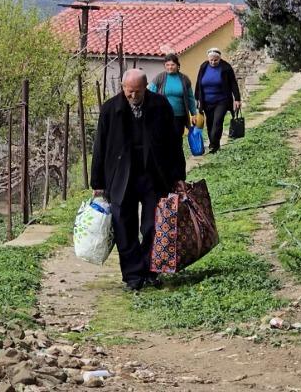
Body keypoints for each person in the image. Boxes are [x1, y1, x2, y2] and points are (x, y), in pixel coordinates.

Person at [90, 69, 187, 291]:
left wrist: (178, 176)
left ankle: (150, 270)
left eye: (137, 91)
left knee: (154, 225)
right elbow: (100, 147)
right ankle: (133, 276)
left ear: (146, 88)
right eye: (128, 91)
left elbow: (174, 144)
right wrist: (98, 183)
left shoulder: (161, 106)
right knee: (124, 227)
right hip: (120, 177)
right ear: (123, 87)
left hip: (154, 174)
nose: (132, 95)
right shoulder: (110, 109)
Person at [194, 48, 241, 153]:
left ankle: (214, 145)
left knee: (217, 122)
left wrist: (237, 99)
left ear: (219, 59)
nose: (213, 62)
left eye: (215, 60)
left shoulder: (226, 68)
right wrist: (197, 98)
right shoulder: (204, 66)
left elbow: (233, 83)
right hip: (206, 101)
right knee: (210, 123)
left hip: (222, 100)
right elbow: (198, 83)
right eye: (211, 60)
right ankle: (214, 144)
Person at [148, 53, 197, 139]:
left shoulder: (184, 79)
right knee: (164, 138)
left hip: (179, 116)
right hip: (162, 115)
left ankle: (177, 152)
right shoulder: (160, 78)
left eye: (172, 65)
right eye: (167, 65)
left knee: (177, 138)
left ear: (177, 65)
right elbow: (150, 94)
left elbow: (190, 98)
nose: (170, 67)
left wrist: (194, 114)